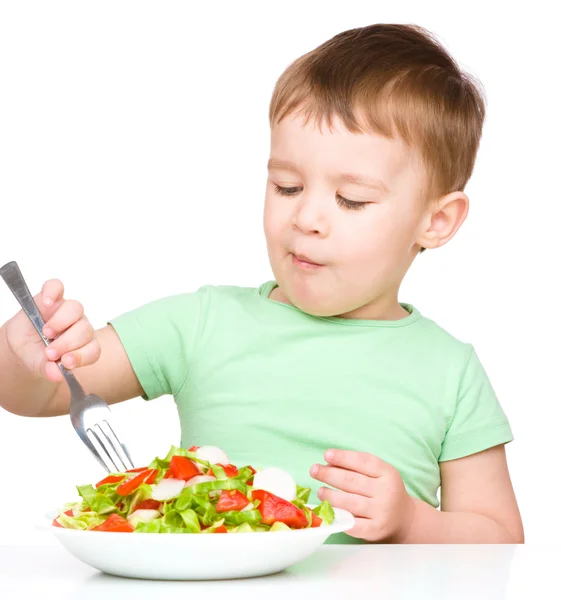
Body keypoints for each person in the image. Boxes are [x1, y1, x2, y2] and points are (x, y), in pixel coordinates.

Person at [0, 23, 524, 544]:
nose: (308, 217)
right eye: (287, 186)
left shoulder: (451, 371)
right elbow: (41, 397)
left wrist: (414, 524)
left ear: (436, 221)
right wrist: (23, 353)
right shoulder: (201, 324)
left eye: (352, 200)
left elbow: (500, 539)